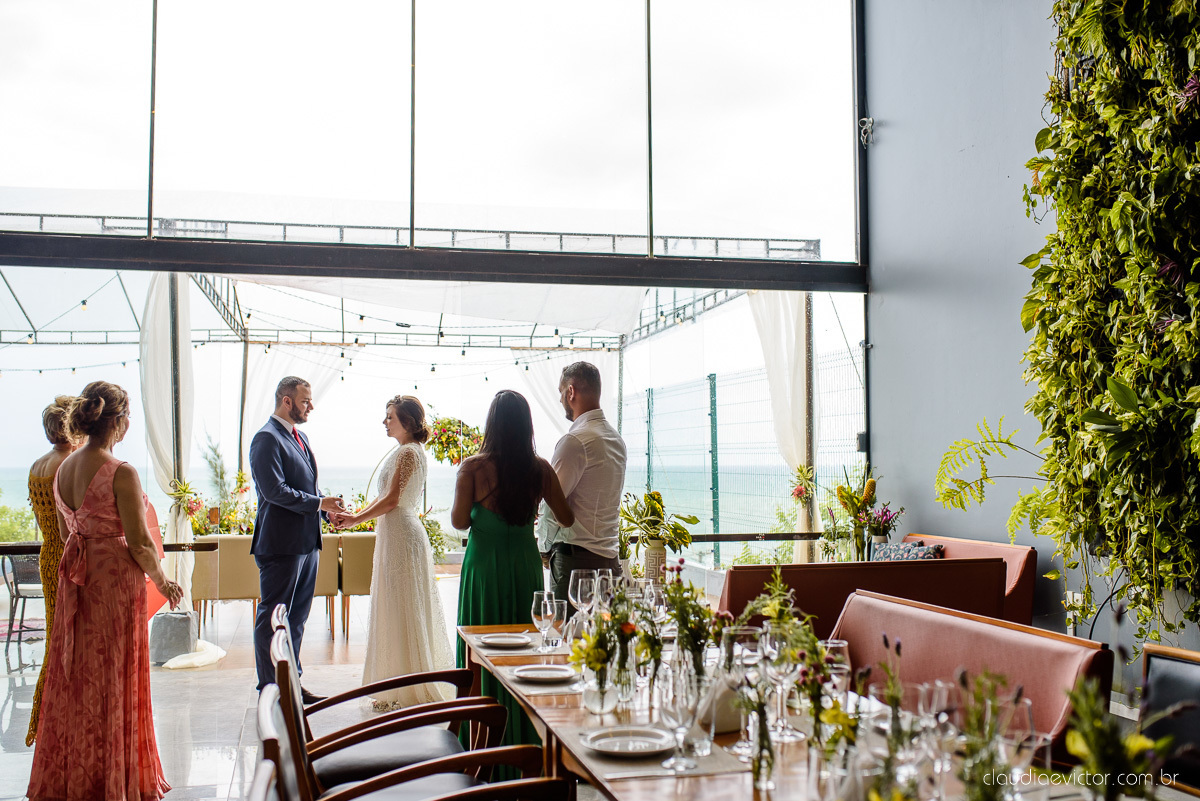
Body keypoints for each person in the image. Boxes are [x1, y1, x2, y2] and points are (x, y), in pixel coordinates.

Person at [26, 381, 182, 801]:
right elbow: (140, 542)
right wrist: (165, 583)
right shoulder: (121, 472)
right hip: (114, 586)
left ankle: (76, 777)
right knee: (116, 676)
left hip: (77, 582)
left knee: (77, 678)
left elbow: (63, 531)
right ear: (119, 421)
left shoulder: (63, 469)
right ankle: (116, 778)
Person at [452, 390, 574, 751]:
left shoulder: (472, 467)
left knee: (481, 651)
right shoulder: (539, 468)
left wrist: (482, 513)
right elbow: (566, 517)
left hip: (484, 568)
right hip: (524, 565)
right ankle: (522, 742)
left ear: (492, 424)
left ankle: (481, 745)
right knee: (525, 650)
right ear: (526, 426)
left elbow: (459, 522)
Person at [330, 395, 455, 710]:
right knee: (394, 604)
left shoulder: (410, 452)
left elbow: (392, 501)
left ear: (408, 422)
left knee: (404, 605)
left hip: (402, 534)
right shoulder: (402, 451)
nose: (384, 421)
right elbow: (386, 498)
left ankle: (410, 685)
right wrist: (355, 516)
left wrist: (356, 519)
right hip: (393, 534)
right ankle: (395, 681)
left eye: (390, 417)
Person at [249, 376, 344, 701]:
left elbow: (307, 487)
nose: (311, 407)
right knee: (273, 619)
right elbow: (274, 491)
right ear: (286, 401)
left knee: (298, 619)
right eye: (305, 401)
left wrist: (325, 510)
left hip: (307, 543)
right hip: (280, 544)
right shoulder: (265, 438)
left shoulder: (299, 436)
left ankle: (291, 684)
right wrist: (319, 503)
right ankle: (270, 688)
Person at [537, 362, 628, 614]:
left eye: (560, 392)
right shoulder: (616, 441)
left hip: (575, 564)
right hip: (610, 562)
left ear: (571, 391)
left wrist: (543, 549)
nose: (560, 399)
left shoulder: (575, 441)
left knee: (569, 644)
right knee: (604, 645)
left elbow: (551, 505)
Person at [24, 396, 79, 747]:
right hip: (68, 556)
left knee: (53, 641)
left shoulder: (36, 466)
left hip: (47, 555)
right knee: (70, 643)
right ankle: (63, 718)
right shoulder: (70, 464)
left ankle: (41, 719)